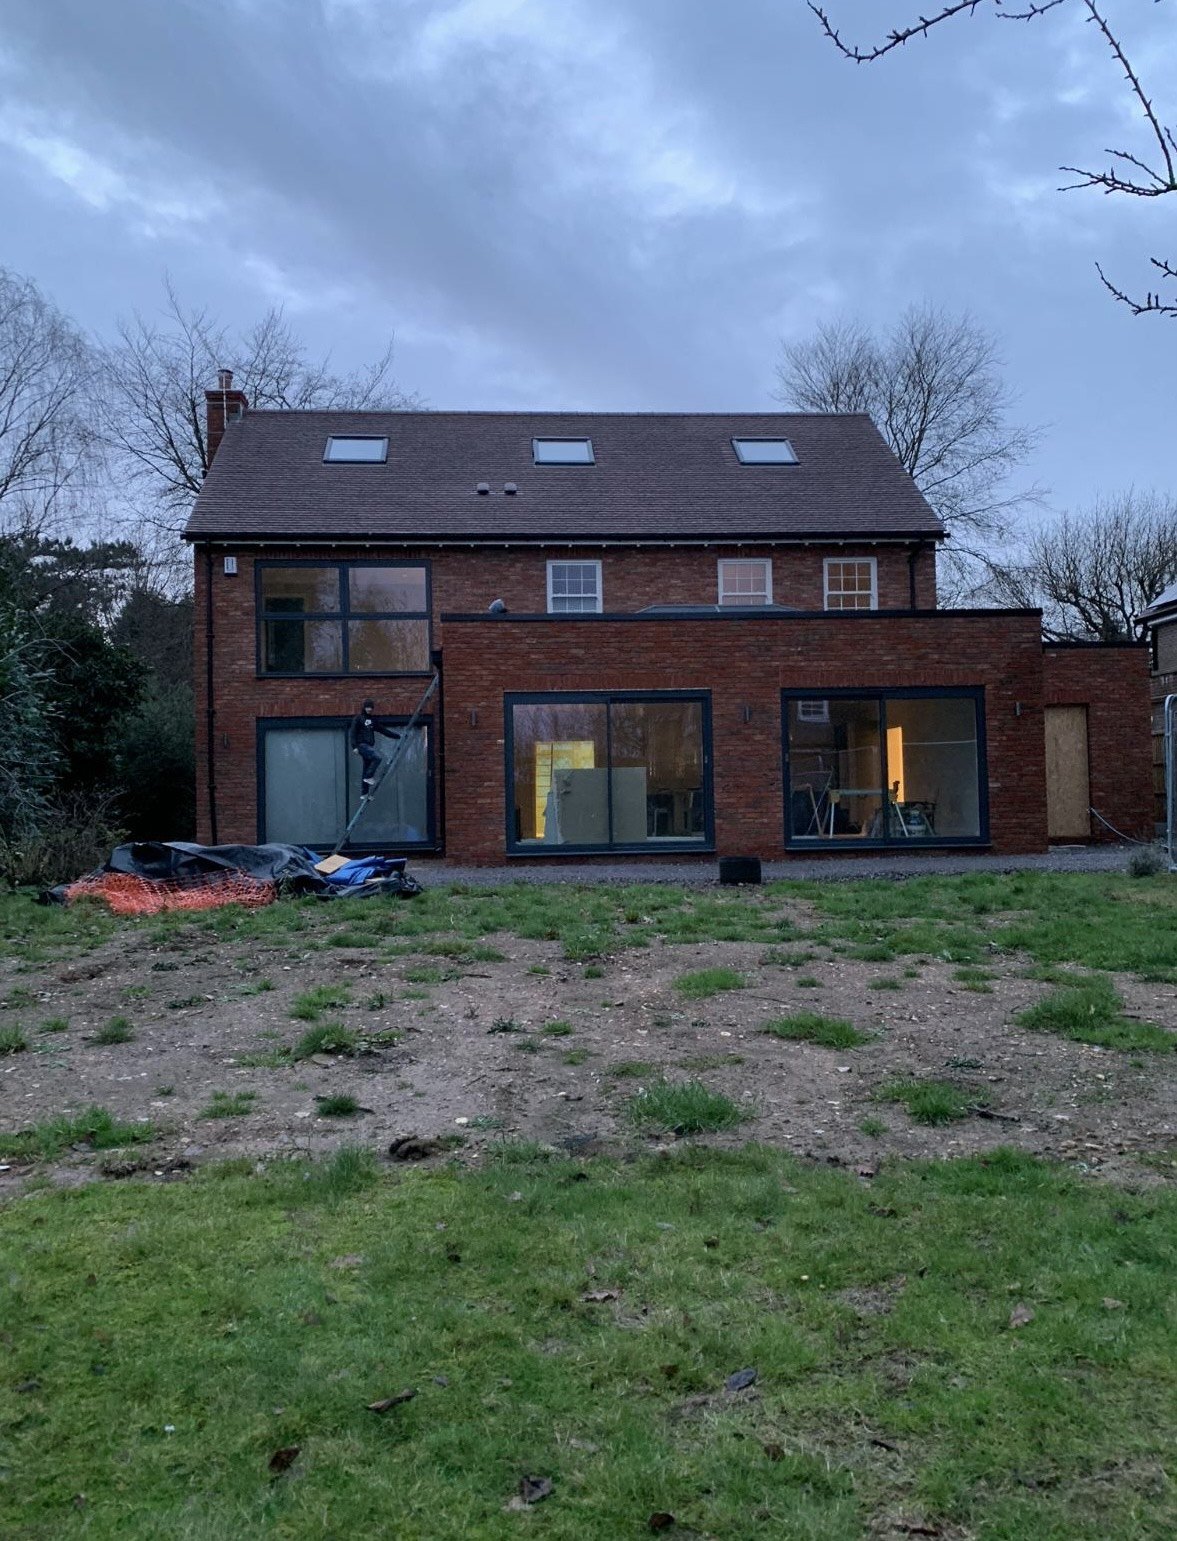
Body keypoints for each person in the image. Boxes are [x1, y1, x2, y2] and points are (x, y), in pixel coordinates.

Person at [348, 700, 402, 797]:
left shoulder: (373, 721)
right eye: (368, 707)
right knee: (377, 757)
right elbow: (353, 733)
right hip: (361, 745)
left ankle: (364, 793)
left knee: (366, 768)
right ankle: (369, 776)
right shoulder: (358, 718)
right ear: (364, 708)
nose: (369, 710)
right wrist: (354, 746)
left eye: (371, 708)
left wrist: (397, 736)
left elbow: (383, 730)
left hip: (369, 746)